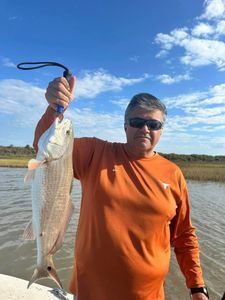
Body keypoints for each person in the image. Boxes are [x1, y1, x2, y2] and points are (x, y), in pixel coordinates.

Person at [33, 76, 209, 300]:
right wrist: (54, 108)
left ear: (161, 129)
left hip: (148, 295)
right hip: (90, 292)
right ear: (125, 125)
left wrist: (197, 287)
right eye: (137, 122)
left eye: (153, 124)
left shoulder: (173, 173)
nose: (145, 129)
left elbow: (184, 236)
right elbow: (44, 146)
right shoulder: (96, 152)